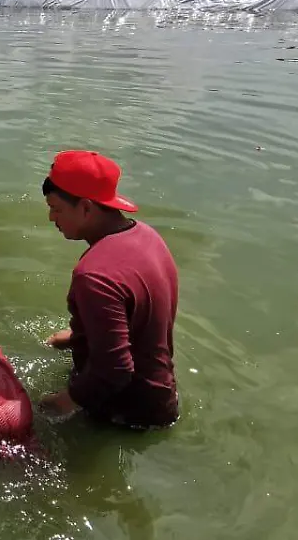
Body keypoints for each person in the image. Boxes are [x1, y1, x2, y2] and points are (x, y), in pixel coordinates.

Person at [38, 150, 180, 430]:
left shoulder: (94, 275)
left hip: (124, 414)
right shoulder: (147, 236)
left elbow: (114, 370)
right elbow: (141, 315)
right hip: (160, 397)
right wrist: (78, 337)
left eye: (56, 208)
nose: (51, 217)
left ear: (87, 208)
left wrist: (63, 402)